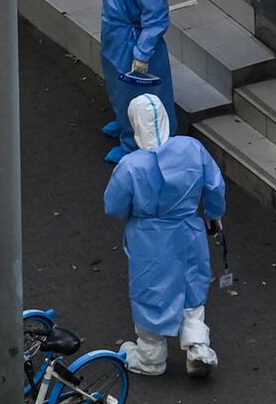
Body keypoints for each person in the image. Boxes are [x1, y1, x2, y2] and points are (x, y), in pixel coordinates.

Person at [104, 94, 226, 378]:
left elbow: (114, 207)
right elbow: (215, 186)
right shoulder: (192, 148)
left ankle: (151, 356)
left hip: (149, 237)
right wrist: (214, 214)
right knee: (191, 284)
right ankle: (198, 346)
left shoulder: (131, 165)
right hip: (189, 230)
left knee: (150, 290)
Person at [99, 0, 176, 164]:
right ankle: (125, 122)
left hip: (133, 37)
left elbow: (156, 18)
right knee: (118, 83)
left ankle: (134, 142)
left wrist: (142, 52)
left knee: (137, 91)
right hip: (116, 29)